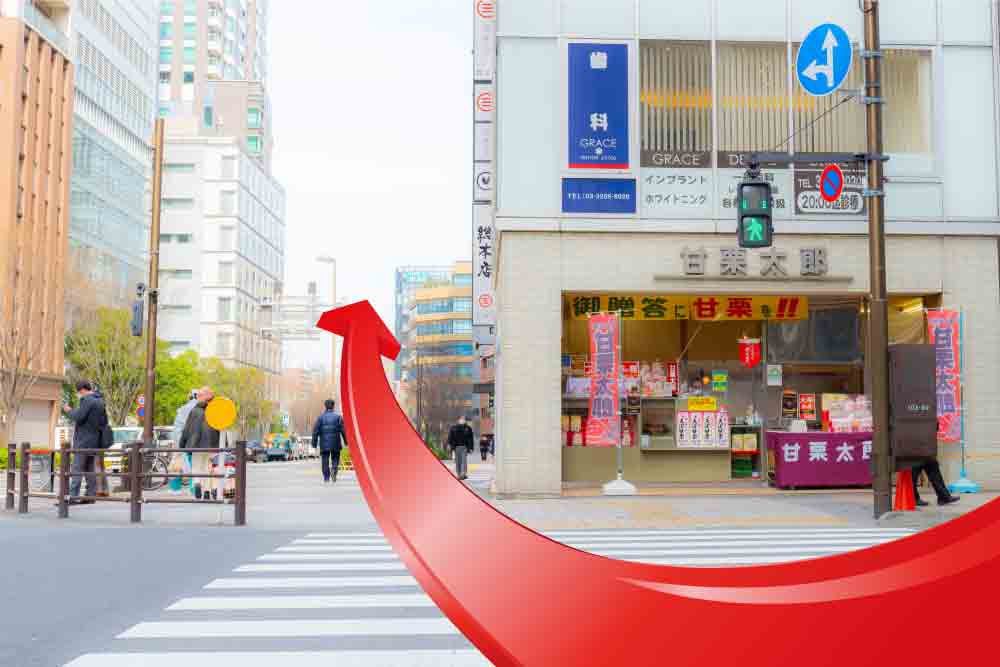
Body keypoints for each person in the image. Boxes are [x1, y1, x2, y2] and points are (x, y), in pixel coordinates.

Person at [62, 381, 110, 503]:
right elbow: (104, 422)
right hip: (95, 441)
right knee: (89, 469)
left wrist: (68, 410)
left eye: (78, 392)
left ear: (82, 390)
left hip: (83, 441)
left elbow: (79, 416)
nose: (79, 395)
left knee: (77, 469)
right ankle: (90, 496)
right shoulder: (100, 401)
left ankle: (72, 497)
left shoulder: (87, 400)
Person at [178, 386, 221, 500]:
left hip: (196, 444)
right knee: (209, 467)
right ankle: (208, 491)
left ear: (201, 397)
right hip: (213, 444)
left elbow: (187, 429)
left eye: (198, 396)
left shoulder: (194, 411)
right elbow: (221, 427)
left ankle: (197, 483)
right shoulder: (215, 409)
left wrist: (182, 443)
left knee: (197, 467)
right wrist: (223, 444)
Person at [312, 399, 347, 483]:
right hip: (335, 442)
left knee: (325, 460)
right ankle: (334, 470)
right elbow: (343, 431)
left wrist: (314, 443)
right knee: (335, 458)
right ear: (333, 406)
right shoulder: (338, 417)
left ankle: (326, 477)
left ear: (325, 406)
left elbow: (315, 431)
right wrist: (346, 441)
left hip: (324, 443)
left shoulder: (320, 418)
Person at [446, 416, 474, 480]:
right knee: (458, 461)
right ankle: (458, 474)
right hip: (456, 447)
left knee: (464, 461)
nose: (463, 420)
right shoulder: (453, 428)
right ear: (458, 420)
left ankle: (463, 473)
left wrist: (471, 448)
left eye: (464, 419)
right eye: (461, 419)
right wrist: (449, 445)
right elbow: (450, 437)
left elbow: (471, 439)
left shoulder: (468, 428)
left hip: (464, 447)